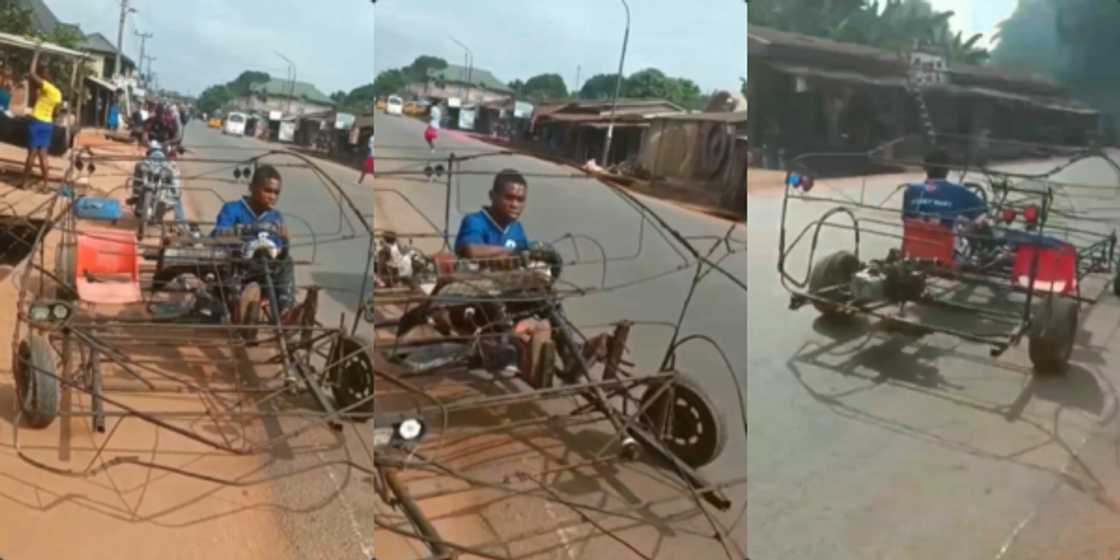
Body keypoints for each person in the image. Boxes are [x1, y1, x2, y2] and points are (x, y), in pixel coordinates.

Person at [211, 164, 296, 315]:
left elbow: (279, 247)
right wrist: (243, 230)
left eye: (276, 192)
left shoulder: (276, 217)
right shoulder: (232, 209)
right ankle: (227, 305)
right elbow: (219, 233)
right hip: (237, 266)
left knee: (287, 262)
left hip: (264, 268)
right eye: (267, 190)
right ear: (252, 188)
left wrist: (284, 241)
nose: (272, 196)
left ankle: (285, 308)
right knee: (222, 260)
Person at [22, 47, 62, 188]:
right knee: (43, 155)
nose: (43, 76)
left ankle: (25, 182)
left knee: (32, 154)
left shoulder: (48, 87)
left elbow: (31, 73)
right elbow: (56, 113)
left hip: (37, 122)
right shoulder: (57, 93)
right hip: (47, 125)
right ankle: (45, 184)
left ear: (48, 77)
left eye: (44, 75)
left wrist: (36, 54)